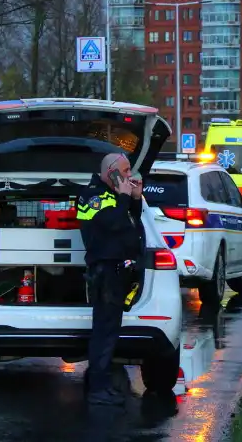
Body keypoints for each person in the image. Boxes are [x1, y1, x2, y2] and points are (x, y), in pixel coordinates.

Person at [76, 152, 144, 406]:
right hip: (104, 270)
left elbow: (131, 222)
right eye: (125, 171)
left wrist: (134, 200)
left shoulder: (117, 197)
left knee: (111, 331)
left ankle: (103, 386)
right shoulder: (92, 196)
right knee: (103, 332)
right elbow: (112, 224)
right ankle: (97, 389)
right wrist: (125, 197)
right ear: (110, 172)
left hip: (119, 271)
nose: (129, 176)